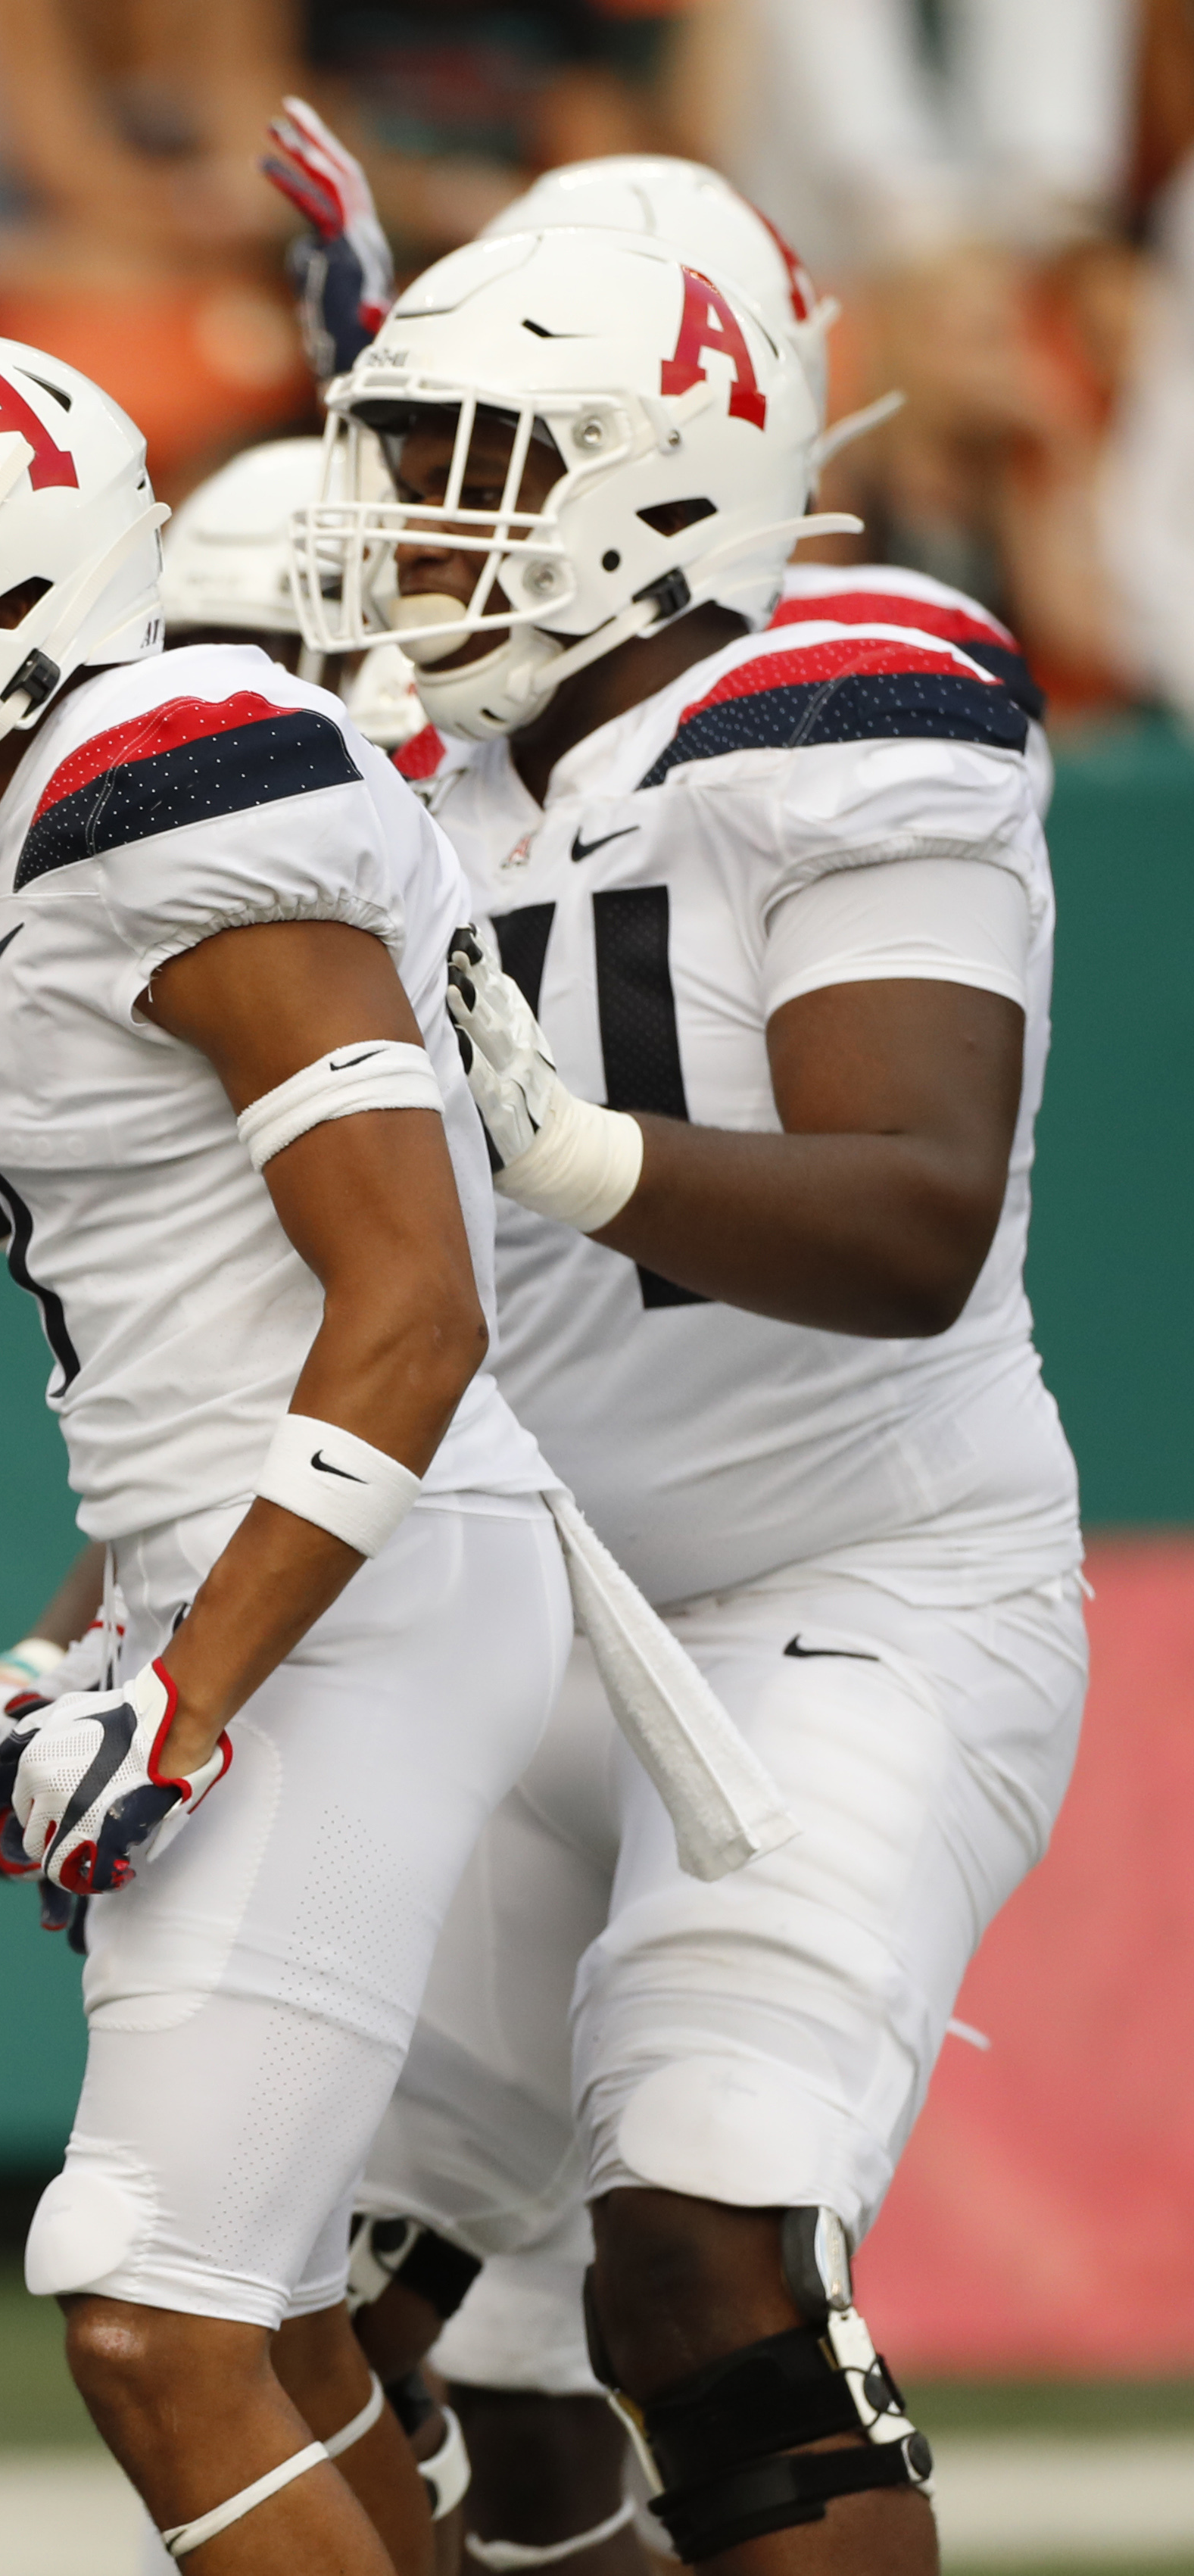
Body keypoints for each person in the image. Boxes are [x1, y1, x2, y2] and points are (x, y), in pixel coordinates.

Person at [0, 323, 574, 2574]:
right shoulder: (46, 811)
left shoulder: (165, 775)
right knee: (264, 2318)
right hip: (271, 1580)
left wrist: (184, 1690)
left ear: (4, 584)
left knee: (149, 2304)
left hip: (350, 1591)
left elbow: (413, 1307)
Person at [295, 218, 1079, 2572]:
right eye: (400, 460)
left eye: (474, 463)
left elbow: (913, 1216)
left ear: (660, 481)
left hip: (850, 1597)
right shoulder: (409, 784)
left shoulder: (844, 697)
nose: (411, 522)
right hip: (518, 1625)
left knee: (704, 2259)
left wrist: (571, 1153)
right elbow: (28, 892)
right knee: (257, 2305)